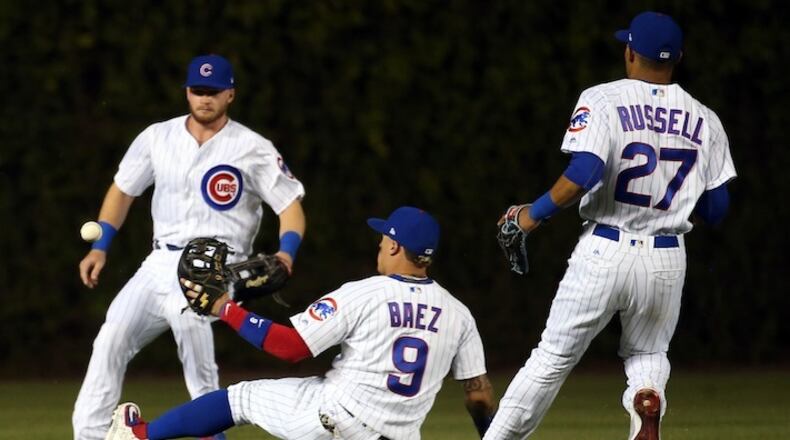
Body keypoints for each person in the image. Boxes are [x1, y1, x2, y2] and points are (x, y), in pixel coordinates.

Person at [485, 11, 736, 440]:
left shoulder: (603, 99)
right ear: (678, 58)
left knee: (552, 358)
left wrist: (531, 215)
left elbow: (585, 172)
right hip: (666, 257)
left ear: (630, 52)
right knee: (648, 352)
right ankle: (646, 397)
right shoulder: (705, 118)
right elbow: (717, 209)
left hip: (605, 248)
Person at [103, 206, 497, 440]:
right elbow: (478, 395)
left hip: (332, 417)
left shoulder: (365, 293)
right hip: (399, 436)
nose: (379, 244)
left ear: (394, 245)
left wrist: (226, 308)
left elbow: (291, 348)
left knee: (238, 399)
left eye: (383, 238)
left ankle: (137, 436)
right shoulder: (459, 314)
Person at [72, 54, 307, 440]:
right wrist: (101, 247)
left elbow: (290, 206)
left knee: (189, 324)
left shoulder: (252, 147)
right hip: (159, 260)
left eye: (213, 91)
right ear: (187, 92)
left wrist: (287, 252)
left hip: (217, 264)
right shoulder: (157, 137)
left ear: (230, 94)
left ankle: (211, 430)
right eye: (198, 90)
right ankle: (90, 435)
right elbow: (123, 190)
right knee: (111, 336)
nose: (205, 98)